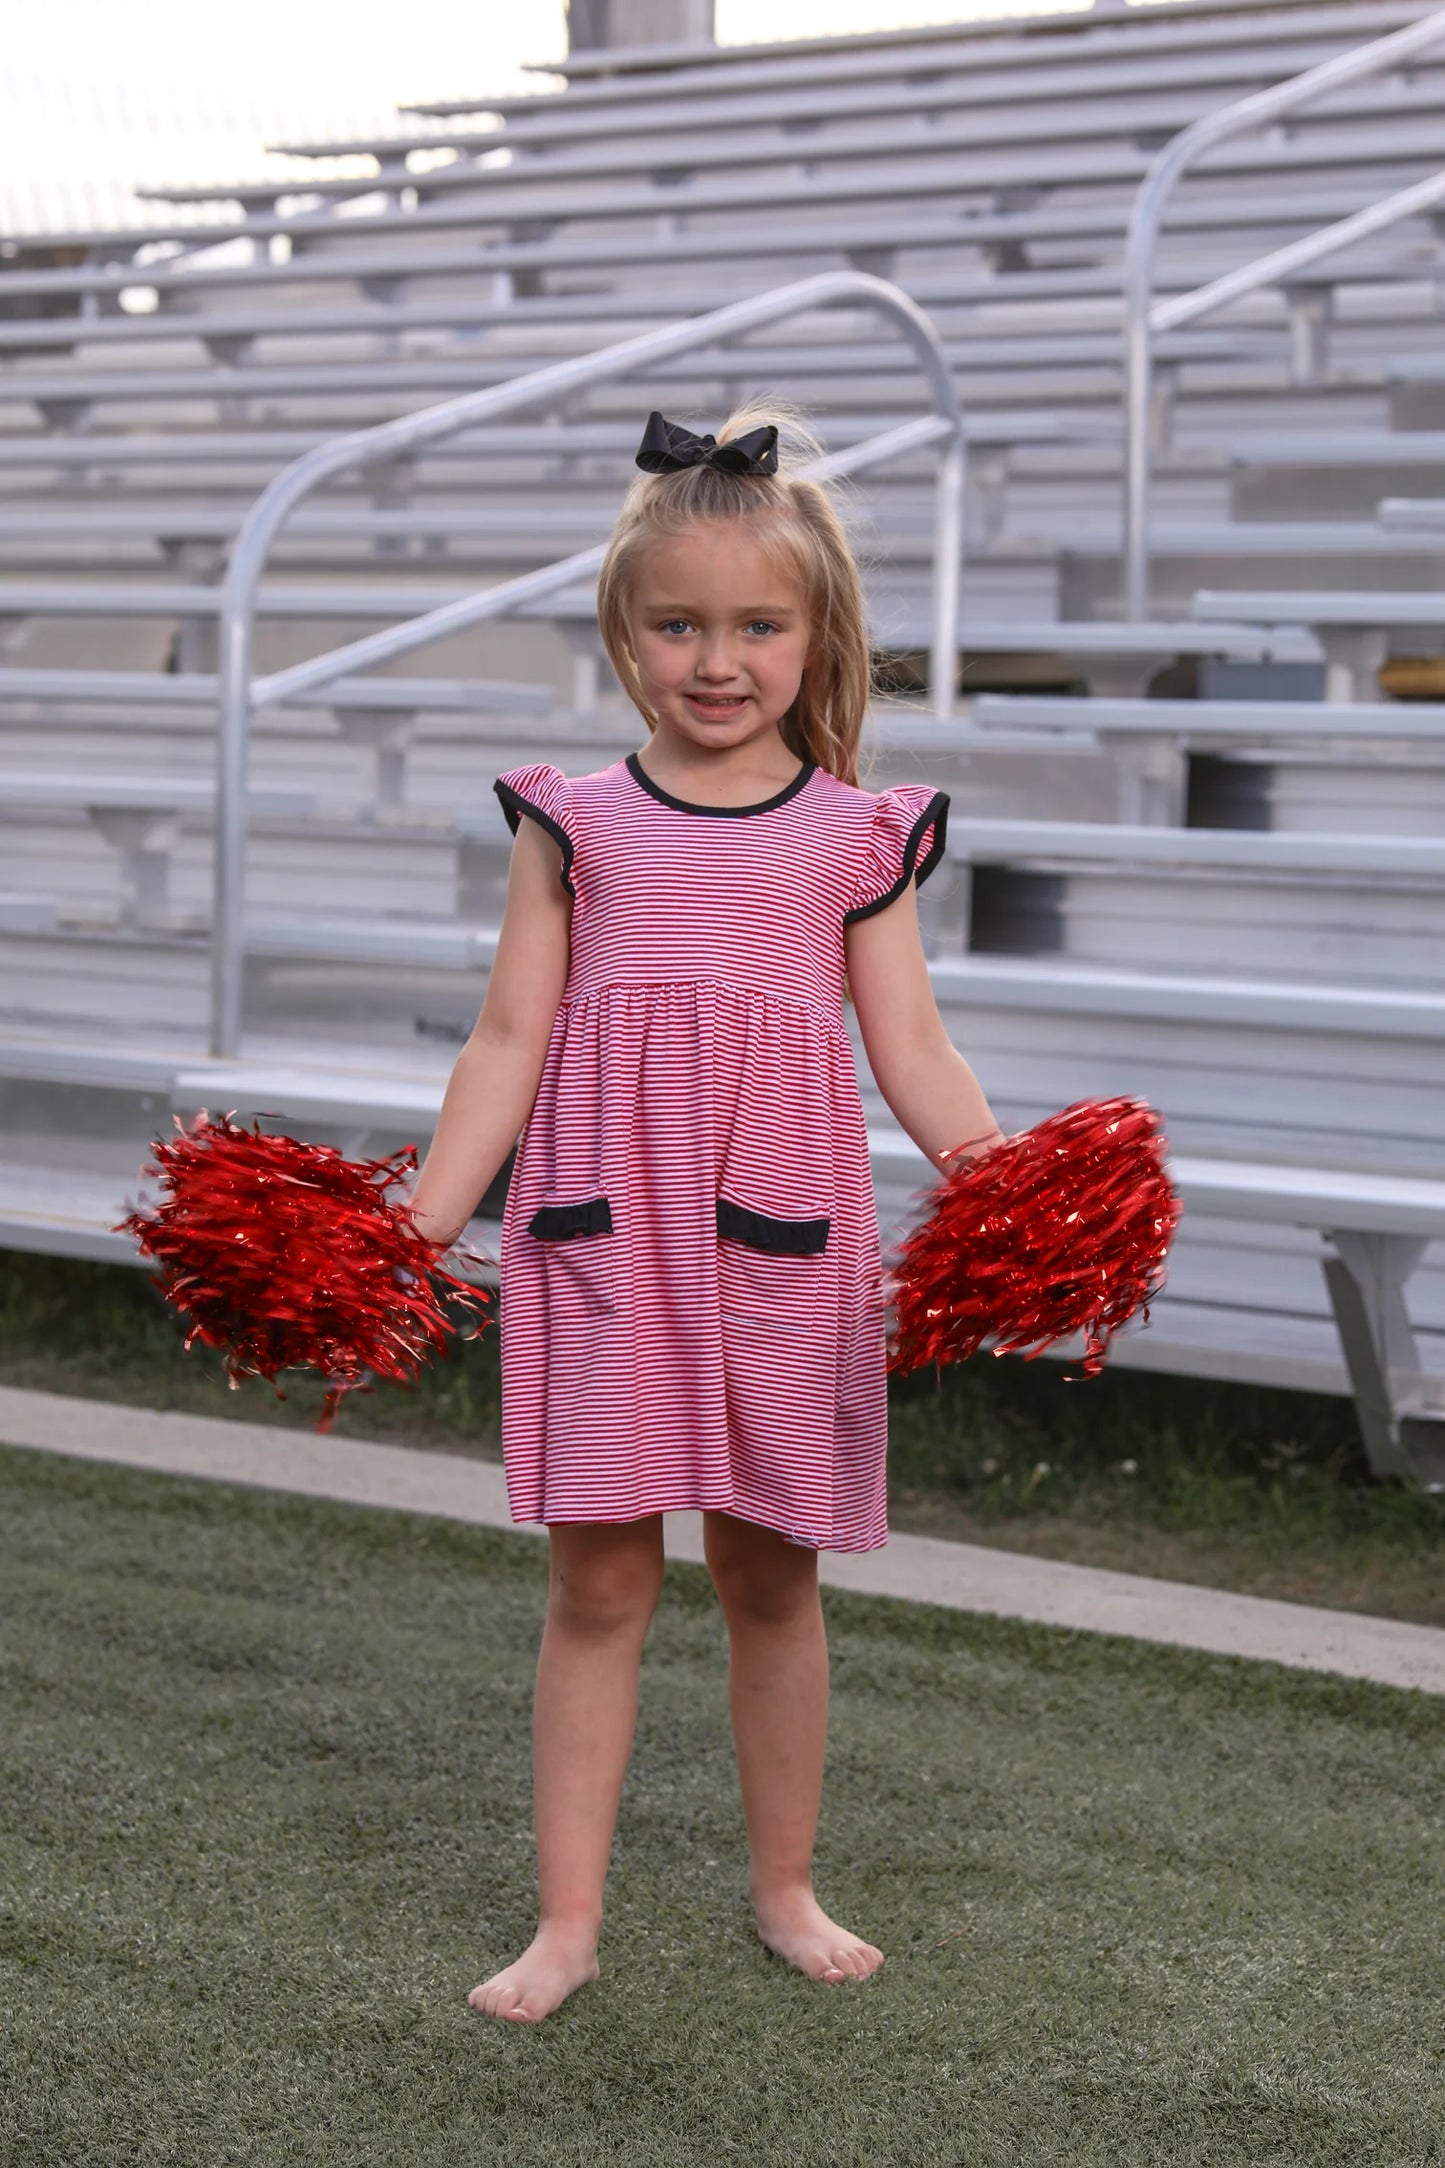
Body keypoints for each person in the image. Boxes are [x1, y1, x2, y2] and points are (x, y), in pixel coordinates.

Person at [405, 402, 1004, 2024]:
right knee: (598, 1584)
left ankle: (785, 1887)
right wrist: (423, 1218)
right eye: (678, 623)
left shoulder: (855, 835)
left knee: (770, 1580)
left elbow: (915, 1047)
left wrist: (1003, 1187)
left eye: (757, 624)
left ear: (819, 639)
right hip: (602, 1246)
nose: (717, 658)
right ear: (622, 632)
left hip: (781, 1251)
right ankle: (568, 1920)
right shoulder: (571, 820)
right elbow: (508, 1039)